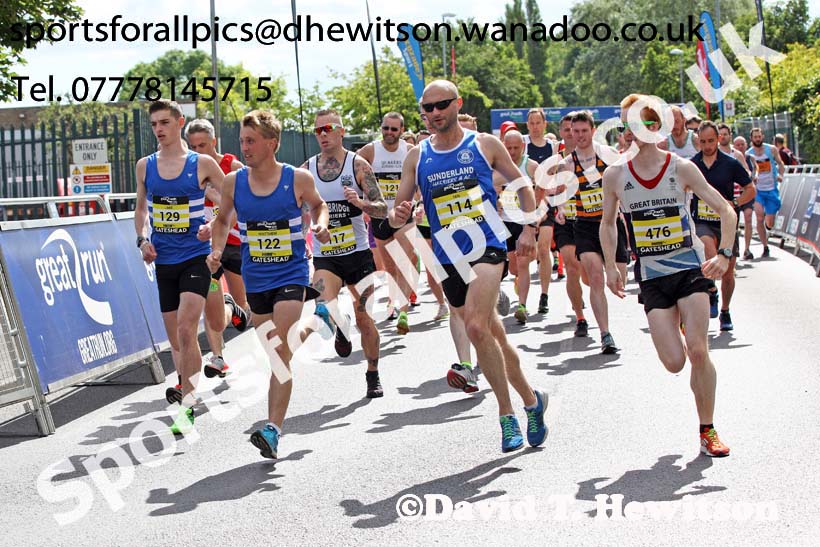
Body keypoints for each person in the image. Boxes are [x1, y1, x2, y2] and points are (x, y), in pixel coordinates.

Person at [390, 80, 548, 452]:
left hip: (488, 245)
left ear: (457, 104)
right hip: (447, 256)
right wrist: (398, 212)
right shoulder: (417, 156)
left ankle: (506, 416)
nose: (432, 113)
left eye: (440, 105)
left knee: (476, 327)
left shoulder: (484, 145)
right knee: (492, 336)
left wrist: (529, 226)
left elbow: (523, 183)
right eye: (426, 108)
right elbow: (400, 207)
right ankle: (532, 401)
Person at [601, 93, 736, 457]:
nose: (645, 130)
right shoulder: (615, 175)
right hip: (653, 278)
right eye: (637, 123)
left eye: (651, 121)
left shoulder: (681, 168)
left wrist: (724, 254)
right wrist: (613, 265)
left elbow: (726, 210)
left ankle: (707, 429)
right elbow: (608, 224)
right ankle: (676, 324)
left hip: (690, 270)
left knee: (697, 349)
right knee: (675, 362)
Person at [207, 110, 330, 459]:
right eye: (242, 140)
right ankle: (319, 321)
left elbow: (319, 206)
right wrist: (216, 250)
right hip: (255, 280)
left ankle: (273, 430)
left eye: (251, 140)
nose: (244, 147)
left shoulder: (298, 179)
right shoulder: (233, 182)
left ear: (271, 143)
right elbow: (222, 221)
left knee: (279, 354)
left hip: (290, 274)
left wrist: (320, 224)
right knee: (278, 348)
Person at [134, 99, 226, 435]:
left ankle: (187, 405)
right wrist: (143, 241)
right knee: (176, 339)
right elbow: (141, 209)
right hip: (164, 261)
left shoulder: (200, 163)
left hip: (195, 257)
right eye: (154, 124)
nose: (159, 130)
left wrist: (211, 223)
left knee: (188, 330)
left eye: (164, 123)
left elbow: (228, 201)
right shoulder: (146, 166)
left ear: (179, 122)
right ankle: (188, 386)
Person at [302, 108, 388, 398]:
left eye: (328, 128)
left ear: (341, 131)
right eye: (317, 130)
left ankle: (372, 374)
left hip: (358, 255)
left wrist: (362, 203)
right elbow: (297, 208)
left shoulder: (358, 165)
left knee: (364, 317)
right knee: (322, 306)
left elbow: (382, 208)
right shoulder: (307, 169)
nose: (323, 134)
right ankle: (339, 323)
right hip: (326, 255)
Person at [554, 110, 627, 353]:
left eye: (584, 131)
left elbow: (624, 184)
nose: (580, 136)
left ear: (593, 131)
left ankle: (611, 280)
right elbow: (562, 193)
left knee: (618, 279)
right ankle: (606, 334)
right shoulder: (567, 163)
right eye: (576, 132)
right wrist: (562, 207)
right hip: (584, 225)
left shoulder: (608, 156)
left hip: (611, 223)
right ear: (570, 133)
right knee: (595, 277)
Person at [185, 119, 249, 378]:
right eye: (193, 146)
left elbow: (239, 208)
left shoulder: (233, 168)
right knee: (208, 301)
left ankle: (232, 306)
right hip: (206, 250)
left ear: (214, 142)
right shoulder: (188, 170)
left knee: (244, 312)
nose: (198, 151)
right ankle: (218, 356)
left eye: (203, 145)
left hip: (234, 244)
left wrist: (215, 213)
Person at [690, 121, 755, 330]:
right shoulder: (692, 166)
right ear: (697, 141)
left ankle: (725, 311)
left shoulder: (730, 163)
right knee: (707, 248)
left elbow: (750, 189)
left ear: (718, 139)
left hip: (726, 221)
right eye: (702, 142)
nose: (707, 146)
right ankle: (711, 290)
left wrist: (735, 203)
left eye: (711, 141)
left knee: (728, 272)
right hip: (701, 220)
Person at [358, 112, 417, 335]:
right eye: (386, 128)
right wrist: (363, 204)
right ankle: (394, 300)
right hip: (380, 216)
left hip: (403, 213)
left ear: (401, 130)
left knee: (403, 260)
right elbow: (353, 174)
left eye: (394, 129)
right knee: (390, 267)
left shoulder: (410, 151)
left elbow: (420, 179)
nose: (389, 133)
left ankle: (402, 311)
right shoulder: (370, 151)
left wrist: (418, 203)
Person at [548, 113, 588, 336]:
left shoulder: (593, 155)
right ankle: (580, 318)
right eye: (565, 129)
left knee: (587, 273)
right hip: (565, 218)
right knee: (571, 265)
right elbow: (545, 187)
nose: (570, 133)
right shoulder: (555, 160)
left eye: (573, 129)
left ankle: (583, 294)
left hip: (589, 218)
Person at [494, 130, 539, 324]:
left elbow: (541, 191)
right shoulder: (497, 168)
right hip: (505, 222)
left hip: (523, 223)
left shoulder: (531, 166)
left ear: (523, 147)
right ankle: (517, 285)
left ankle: (522, 305)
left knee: (523, 264)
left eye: (516, 148)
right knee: (513, 268)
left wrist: (534, 219)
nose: (512, 152)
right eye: (508, 148)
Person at [747, 127, 785, 258]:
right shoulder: (748, 154)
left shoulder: (771, 149)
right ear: (751, 138)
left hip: (772, 189)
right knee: (759, 217)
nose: (757, 139)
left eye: (759, 136)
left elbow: (780, 164)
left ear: (762, 137)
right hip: (757, 190)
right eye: (755, 137)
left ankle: (768, 227)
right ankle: (765, 246)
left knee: (769, 221)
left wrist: (780, 175)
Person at [733, 135, 758, 260]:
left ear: (746, 145)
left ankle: (747, 249)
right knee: (734, 223)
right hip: (733, 194)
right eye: (737, 144)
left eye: (742, 144)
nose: (740, 146)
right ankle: (734, 248)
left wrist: (750, 179)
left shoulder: (748, 157)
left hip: (746, 192)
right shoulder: (730, 156)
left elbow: (751, 170)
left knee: (748, 217)